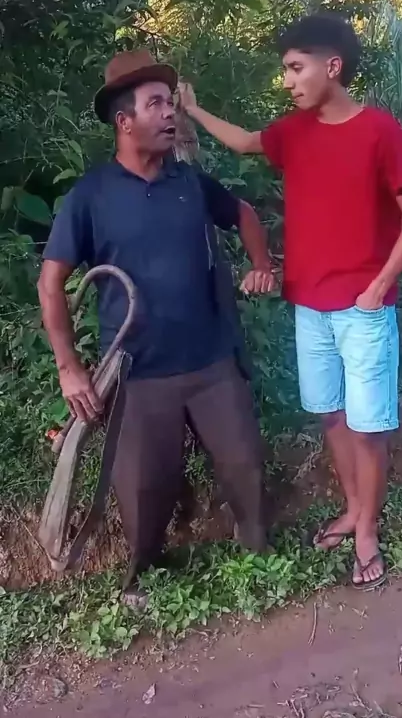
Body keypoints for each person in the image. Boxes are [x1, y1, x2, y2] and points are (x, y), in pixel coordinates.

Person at [179, 13, 402, 591]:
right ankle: (353, 508)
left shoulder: (379, 131)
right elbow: (246, 141)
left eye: (296, 68)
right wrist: (193, 111)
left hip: (363, 310)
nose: (288, 81)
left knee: (368, 427)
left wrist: (377, 288)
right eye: (286, 70)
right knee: (331, 415)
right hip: (310, 308)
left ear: (332, 66)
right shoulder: (294, 131)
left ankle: (367, 531)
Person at [38, 49, 275, 602]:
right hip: (138, 375)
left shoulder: (188, 182)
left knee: (244, 465)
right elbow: (51, 284)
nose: (170, 113)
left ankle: (259, 553)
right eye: (156, 105)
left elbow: (243, 214)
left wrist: (262, 264)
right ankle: (142, 573)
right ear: (125, 121)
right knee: (143, 491)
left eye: (170, 103)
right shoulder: (90, 196)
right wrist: (69, 368)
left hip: (212, 362)